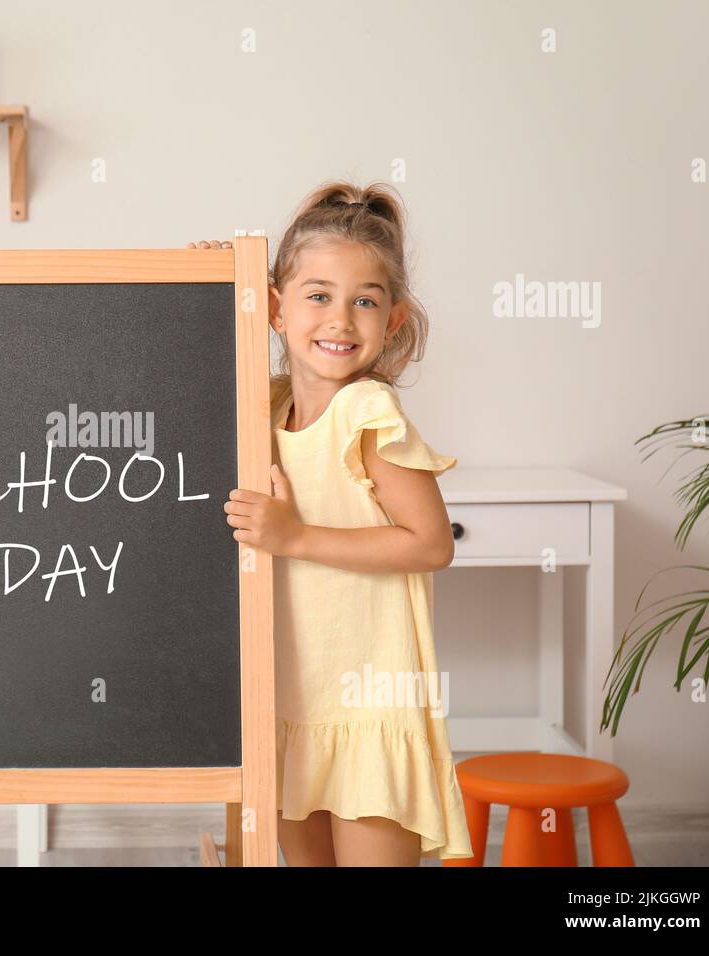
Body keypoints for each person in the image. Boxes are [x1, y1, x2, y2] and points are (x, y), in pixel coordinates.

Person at [191, 181, 473, 866]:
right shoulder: (265, 407)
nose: (340, 320)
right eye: (318, 296)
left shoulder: (368, 414)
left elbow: (431, 543)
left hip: (369, 705)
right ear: (278, 307)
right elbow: (191, 385)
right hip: (291, 698)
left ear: (394, 317)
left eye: (365, 301)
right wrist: (214, 289)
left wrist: (296, 538)